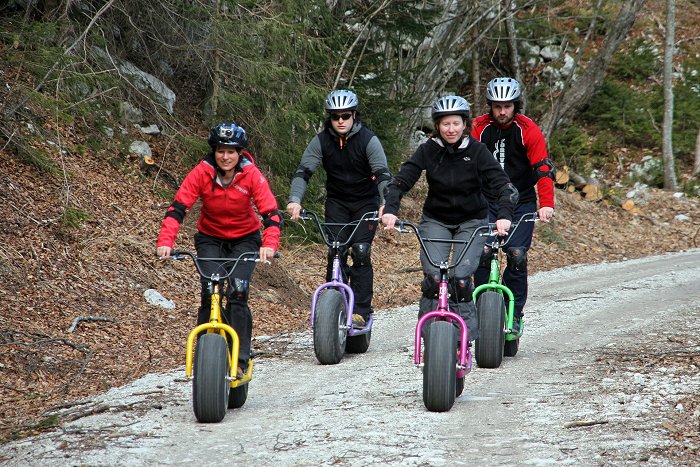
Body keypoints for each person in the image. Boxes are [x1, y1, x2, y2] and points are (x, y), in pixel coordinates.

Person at [381, 95, 518, 341]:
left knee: (461, 278)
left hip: (472, 222)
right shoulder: (428, 150)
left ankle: (465, 337)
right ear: (437, 126)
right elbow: (401, 181)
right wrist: (390, 209)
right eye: (445, 124)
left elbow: (503, 185)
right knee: (434, 277)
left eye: (456, 123)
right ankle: (430, 336)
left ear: (465, 124)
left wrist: (504, 216)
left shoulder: (477, 151)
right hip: (437, 220)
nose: (451, 129)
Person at [156, 122, 282, 373]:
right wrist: (165, 242)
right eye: (221, 151)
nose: (225, 157)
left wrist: (269, 244)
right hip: (210, 238)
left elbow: (271, 214)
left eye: (231, 151)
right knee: (209, 290)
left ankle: (240, 361)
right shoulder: (201, 173)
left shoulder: (252, 175)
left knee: (238, 291)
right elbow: (178, 208)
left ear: (240, 153)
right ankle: (205, 358)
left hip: (245, 240)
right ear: (214, 151)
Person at [286, 89, 391, 328]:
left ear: (354, 115)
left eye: (345, 115)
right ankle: (335, 304)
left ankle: (361, 311)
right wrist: (295, 199)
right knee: (336, 251)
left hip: (366, 203)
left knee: (361, 251)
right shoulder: (321, 141)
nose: (340, 121)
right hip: (337, 203)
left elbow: (383, 174)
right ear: (329, 118)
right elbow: (304, 171)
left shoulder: (368, 139)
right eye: (335, 116)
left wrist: (386, 204)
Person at [471, 77, 556, 334]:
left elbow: (542, 169)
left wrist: (547, 204)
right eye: (497, 106)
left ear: (515, 105)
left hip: (521, 201)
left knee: (517, 255)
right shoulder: (478, 127)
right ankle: (481, 309)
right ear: (490, 106)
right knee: (483, 253)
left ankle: (514, 312)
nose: (502, 112)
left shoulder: (528, 129)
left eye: (507, 106)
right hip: (486, 200)